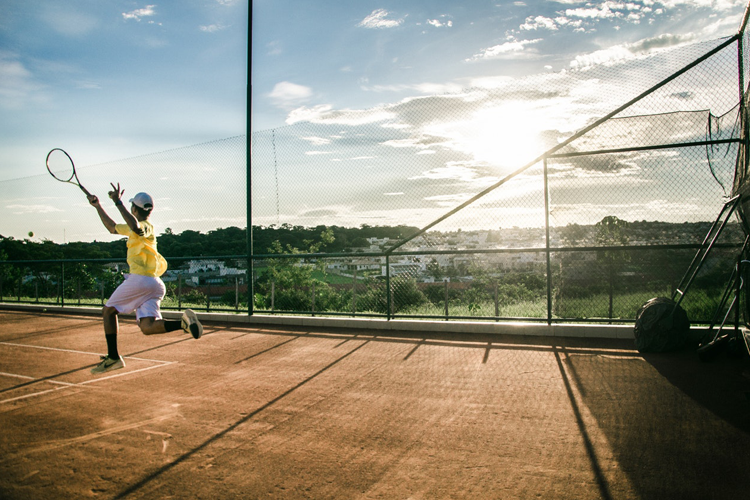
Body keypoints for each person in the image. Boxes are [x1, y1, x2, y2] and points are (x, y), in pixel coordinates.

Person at [87, 183, 203, 374]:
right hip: (154, 284)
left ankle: (113, 358)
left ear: (134, 209)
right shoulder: (135, 227)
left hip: (140, 279)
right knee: (147, 327)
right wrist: (98, 206)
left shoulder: (146, 227)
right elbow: (111, 228)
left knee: (108, 312)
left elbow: (135, 226)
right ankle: (183, 323)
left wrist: (117, 202)